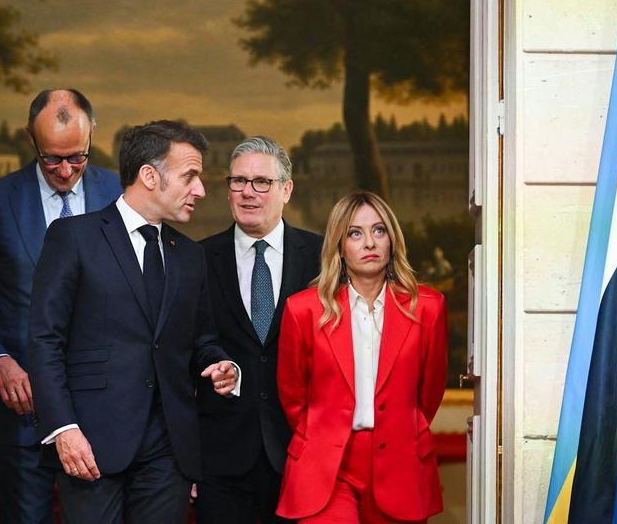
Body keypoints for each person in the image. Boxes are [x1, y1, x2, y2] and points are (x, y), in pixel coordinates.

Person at [28, 119, 240, 524]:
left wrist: (221, 365)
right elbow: (44, 340)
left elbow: (202, 341)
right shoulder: (73, 237)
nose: (201, 190)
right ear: (148, 176)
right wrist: (63, 429)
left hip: (169, 449)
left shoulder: (190, 256)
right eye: (190, 176)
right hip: (90, 443)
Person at [0, 88, 122, 523]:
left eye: (77, 157)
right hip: (19, 412)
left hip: (102, 411)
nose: (65, 171)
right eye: (52, 159)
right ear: (31, 138)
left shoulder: (119, 194)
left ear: (91, 137)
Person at [276, 191, 447, 523]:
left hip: (400, 463)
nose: (369, 242)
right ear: (340, 246)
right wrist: (323, 431)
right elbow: (293, 396)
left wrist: (401, 425)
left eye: (379, 230)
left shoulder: (427, 307)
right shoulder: (304, 310)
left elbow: (429, 393)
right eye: (356, 233)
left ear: (392, 240)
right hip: (326, 467)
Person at [196, 136, 323, 524]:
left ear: (286, 189)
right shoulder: (196, 259)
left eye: (261, 182)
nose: (248, 192)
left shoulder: (323, 257)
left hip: (303, 455)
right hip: (221, 460)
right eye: (238, 181)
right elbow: (184, 347)